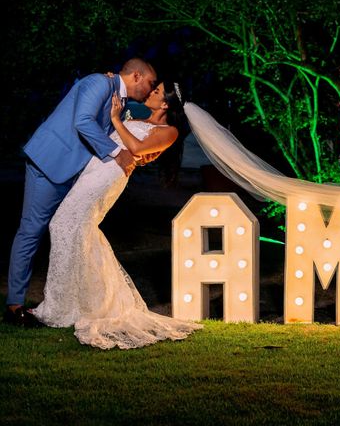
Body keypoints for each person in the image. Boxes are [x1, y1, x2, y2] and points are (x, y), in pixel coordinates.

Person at [33, 80, 202, 349]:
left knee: (63, 224)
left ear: (166, 104)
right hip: (97, 166)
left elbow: (135, 149)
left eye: (157, 92)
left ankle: (62, 304)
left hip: (111, 174)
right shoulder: (138, 115)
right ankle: (81, 301)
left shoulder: (168, 131)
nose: (150, 93)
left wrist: (116, 119)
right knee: (78, 228)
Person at [5, 58, 156, 327]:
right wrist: (117, 153)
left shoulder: (120, 102)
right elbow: (83, 121)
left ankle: (70, 302)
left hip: (76, 172)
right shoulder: (98, 82)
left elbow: (135, 124)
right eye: (150, 83)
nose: (151, 88)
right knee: (31, 230)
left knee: (71, 230)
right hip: (50, 163)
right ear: (136, 76)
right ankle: (15, 305)